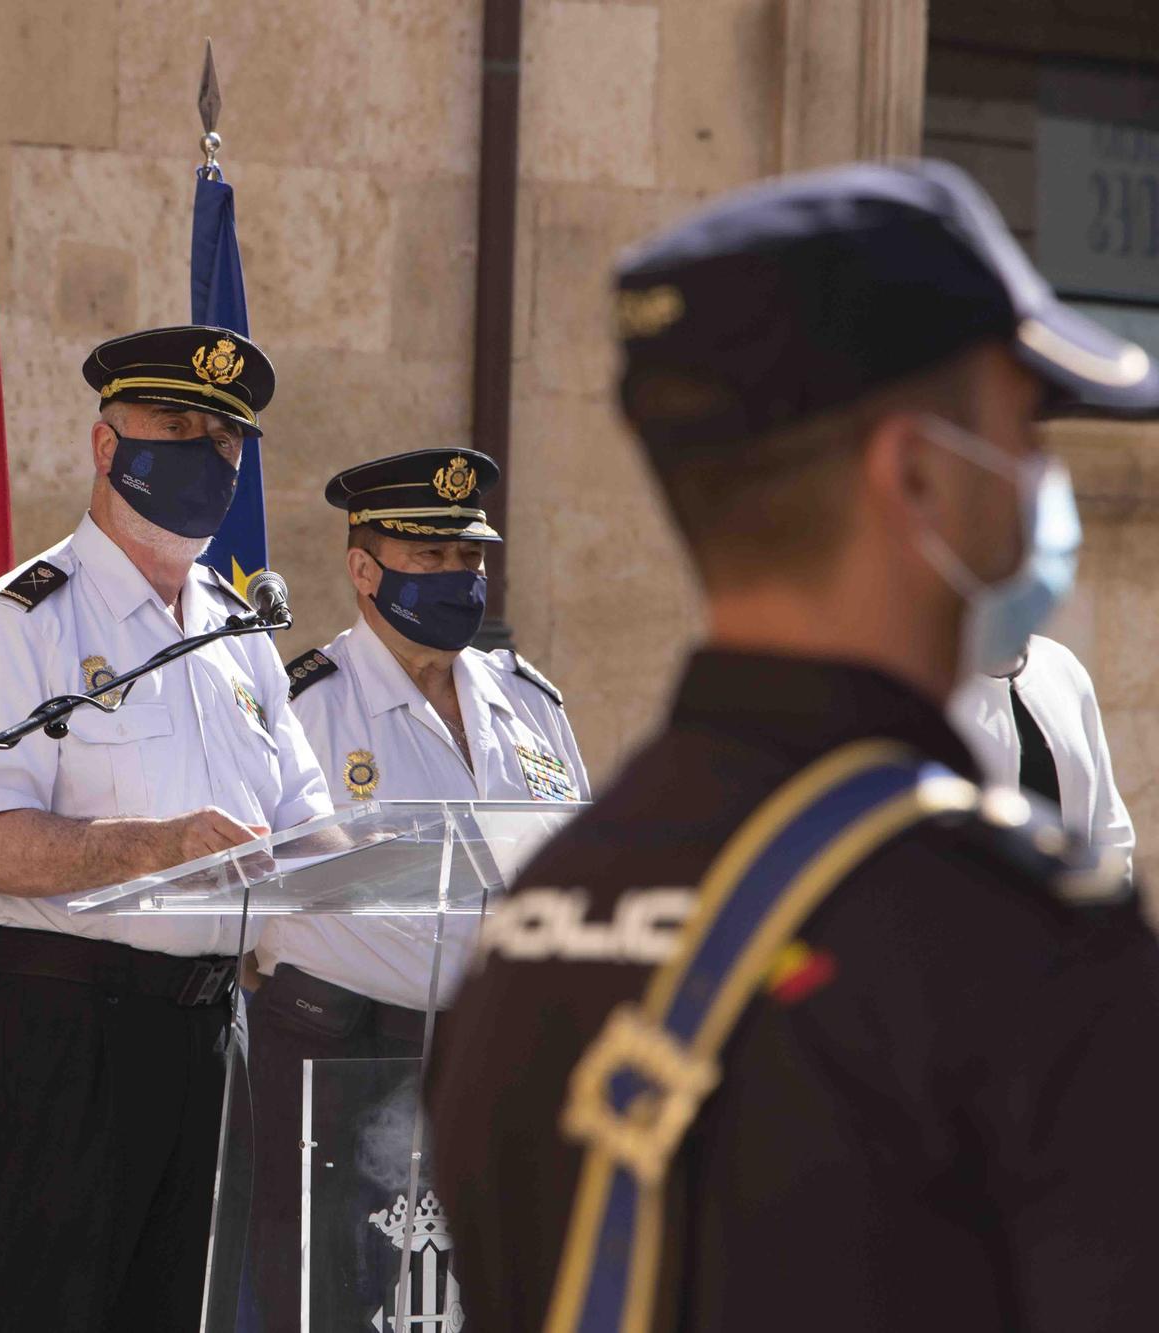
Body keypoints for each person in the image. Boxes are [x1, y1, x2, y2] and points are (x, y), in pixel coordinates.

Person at [430, 160, 1159, 1333]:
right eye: (1022, 431)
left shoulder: (533, 925)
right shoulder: (1017, 944)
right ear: (915, 473)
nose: (1039, 484)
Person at [0, 326, 332, 1332]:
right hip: (70, 1028)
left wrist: (379, 874)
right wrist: (149, 846)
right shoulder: (25, 618)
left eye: (227, 440)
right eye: (178, 426)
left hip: (209, 1032)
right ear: (107, 446)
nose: (207, 455)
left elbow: (311, 833)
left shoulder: (240, 638)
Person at [248, 447, 588, 1330]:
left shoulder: (531, 704)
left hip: (503, 1069)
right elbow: (259, 905)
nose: (457, 577)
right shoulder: (306, 707)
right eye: (429, 558)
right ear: (364, 569)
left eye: (469, 558)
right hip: (347, 1059)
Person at [949, 633, 1135, 871]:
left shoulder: (1060, 664)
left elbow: (1108, 824)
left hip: (1072, 902)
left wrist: (1110, 893)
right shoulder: (939, 684)